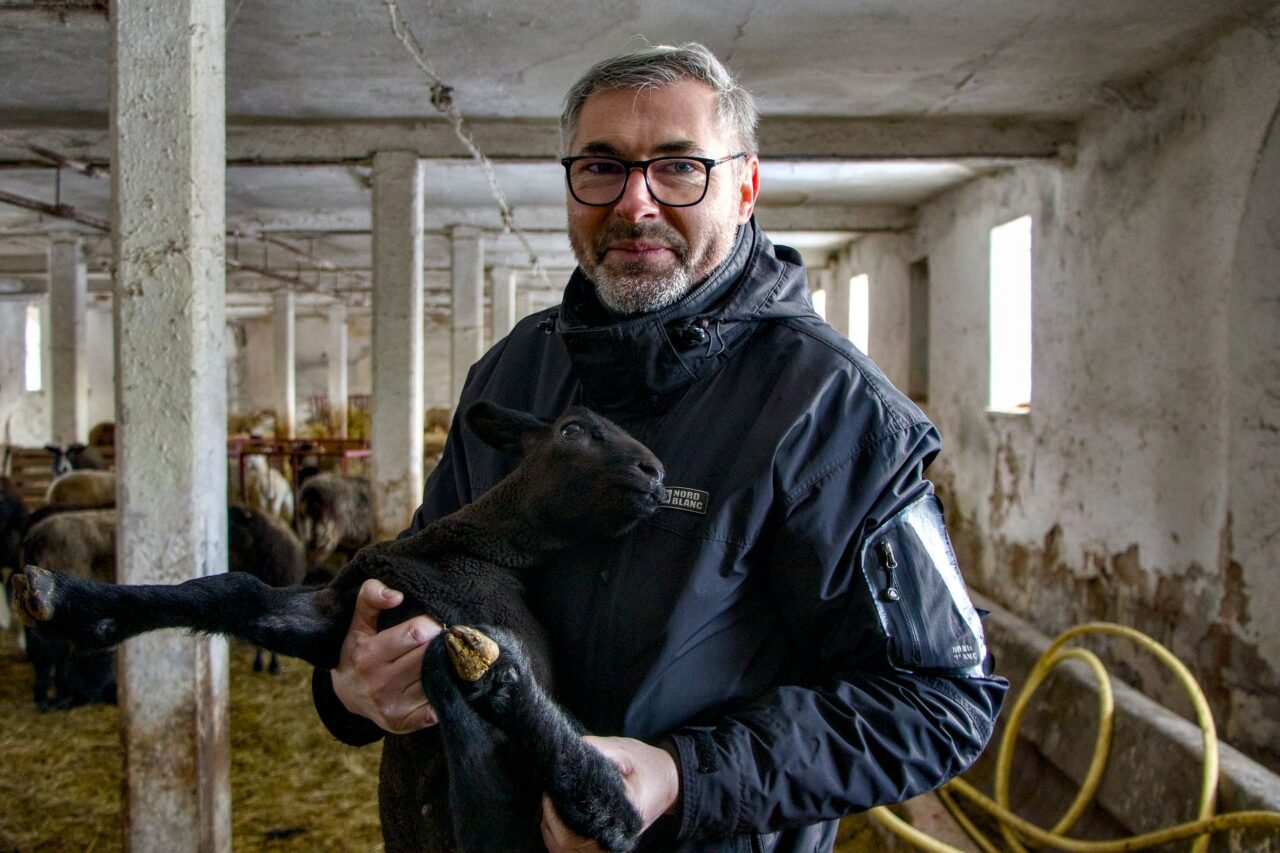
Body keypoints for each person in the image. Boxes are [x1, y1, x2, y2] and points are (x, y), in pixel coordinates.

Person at [312, 42, 1008, 852]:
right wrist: (355, 683)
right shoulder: (514, 370)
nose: (634, 203)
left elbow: (939, 700)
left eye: (679, 168)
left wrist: (683, 776)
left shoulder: (836, 414)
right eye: (601, 167)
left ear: (745, 187)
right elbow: (432, 576)